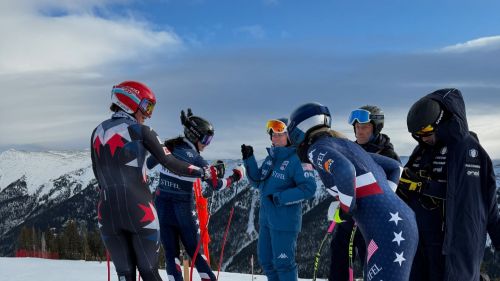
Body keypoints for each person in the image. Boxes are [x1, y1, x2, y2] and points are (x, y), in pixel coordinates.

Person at [91, 81, 216, 281]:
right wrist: (204, 173)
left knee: (124, 276)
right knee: (149, 272)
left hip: (106, 213)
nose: (148, 114)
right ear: (131, 102)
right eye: (146, 107)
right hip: (139, 210)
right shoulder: (142, 131)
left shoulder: (96, 131)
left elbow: (99, 176)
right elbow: (171, 162)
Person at [287, 102, 418, 281]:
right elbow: (395, 167)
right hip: (390, 227)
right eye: (356, 126)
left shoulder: (316, 148)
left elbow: (345, 170)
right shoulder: (347, 146)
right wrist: (384, 199)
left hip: (389, 232)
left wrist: (345, 208)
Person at [398, 88, 500, 281]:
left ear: (441, 121)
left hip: (452, 247)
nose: (422, 138)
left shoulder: (468, 151)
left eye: (426, 131)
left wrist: (422, 185)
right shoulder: (422, 151)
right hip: (419, 245)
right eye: (416, 135)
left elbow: (477, 200)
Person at [148, 108, 245, 281]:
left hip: (161, 205)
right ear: (194, 135)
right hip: (183, 208)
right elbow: (216, 185)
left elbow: (146, 165)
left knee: (171, 256)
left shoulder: (166, 147)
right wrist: (235, 177)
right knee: (196, 256)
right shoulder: (196, 158)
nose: (207, 144)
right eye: (206, 139)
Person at [329, 105, 401, 280]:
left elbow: (388, 196)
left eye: (365, 127)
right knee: (338, 257)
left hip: (374, 225)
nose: (359, 132)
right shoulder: (350, 151)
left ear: (376, 128)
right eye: (357, 127)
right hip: (348, 219)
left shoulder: (388, 156)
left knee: (374, 267)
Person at [241, 118, 317, 281]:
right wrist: (249, 159)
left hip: (285, 221)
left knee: (283, 264)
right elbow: (257, 182)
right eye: (272, 135)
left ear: (290, 136)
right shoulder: (272, 158)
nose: (274, 139)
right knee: (267, 261)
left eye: (279, 135)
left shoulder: (299, 159)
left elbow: (309, 189)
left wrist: (279, 198)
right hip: (266, 220)